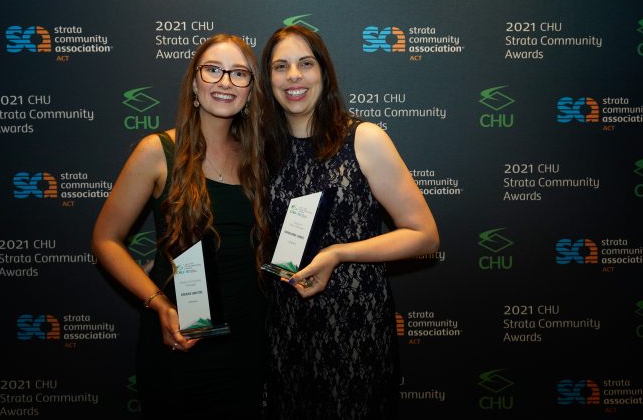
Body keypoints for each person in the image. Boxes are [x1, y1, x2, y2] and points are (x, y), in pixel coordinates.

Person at [258, 25, 440, 419]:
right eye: (280, 66)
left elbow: (425, 236)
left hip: (354, 329)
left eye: (305, 64)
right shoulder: (262, 149)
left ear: (324, 72)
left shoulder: (363, 138)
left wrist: (338, 253)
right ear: (268, 78)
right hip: (286, 329)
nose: (293, 76)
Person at [91, 34, 269, 418]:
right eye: (213, 70)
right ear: (194, 82)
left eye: (239, 74)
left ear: (252, 90)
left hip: (251, 342)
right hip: (182, 341)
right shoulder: (157, 151)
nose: (225, 82)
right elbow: (105, 240)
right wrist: (158, 305)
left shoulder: (260, 160)